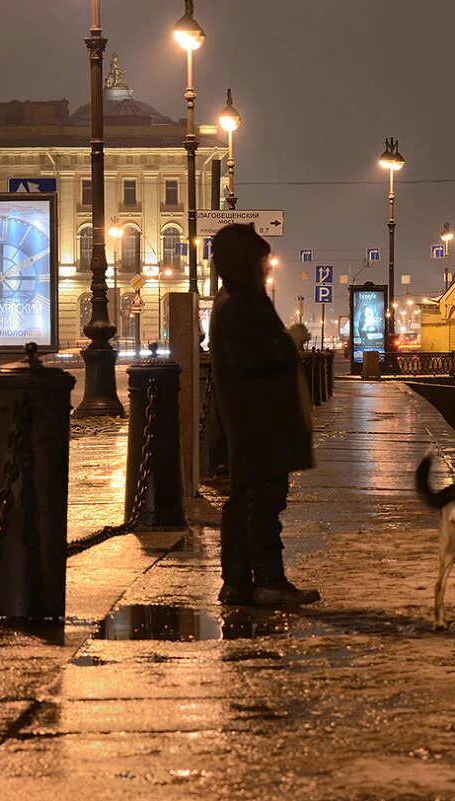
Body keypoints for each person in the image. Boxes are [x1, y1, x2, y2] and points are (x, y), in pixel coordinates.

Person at [208, 223, 320, 607]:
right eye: (259, 259)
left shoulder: (233, 298)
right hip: (260, 421)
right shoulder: (243, 303)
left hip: (250, 421)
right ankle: (268, 580)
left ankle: (238, 581)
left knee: (247, 501)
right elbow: (254, 358)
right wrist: (290, 341)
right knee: (264, 502)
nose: (264, 267)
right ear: (244, 262)